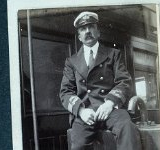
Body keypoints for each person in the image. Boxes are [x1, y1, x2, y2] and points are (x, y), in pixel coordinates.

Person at [59, 11, 142, 150]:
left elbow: (124, 81)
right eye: (83, 29)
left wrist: (109, 103)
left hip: (111, 110)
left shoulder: (113, 54)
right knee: (78, 145)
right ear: (79, 36)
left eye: (91, 27)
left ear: (98, 32)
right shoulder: (71, 62)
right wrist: (81, 111)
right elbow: (65, 92)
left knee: (128, 129)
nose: (87, 31)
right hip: (85, 112)